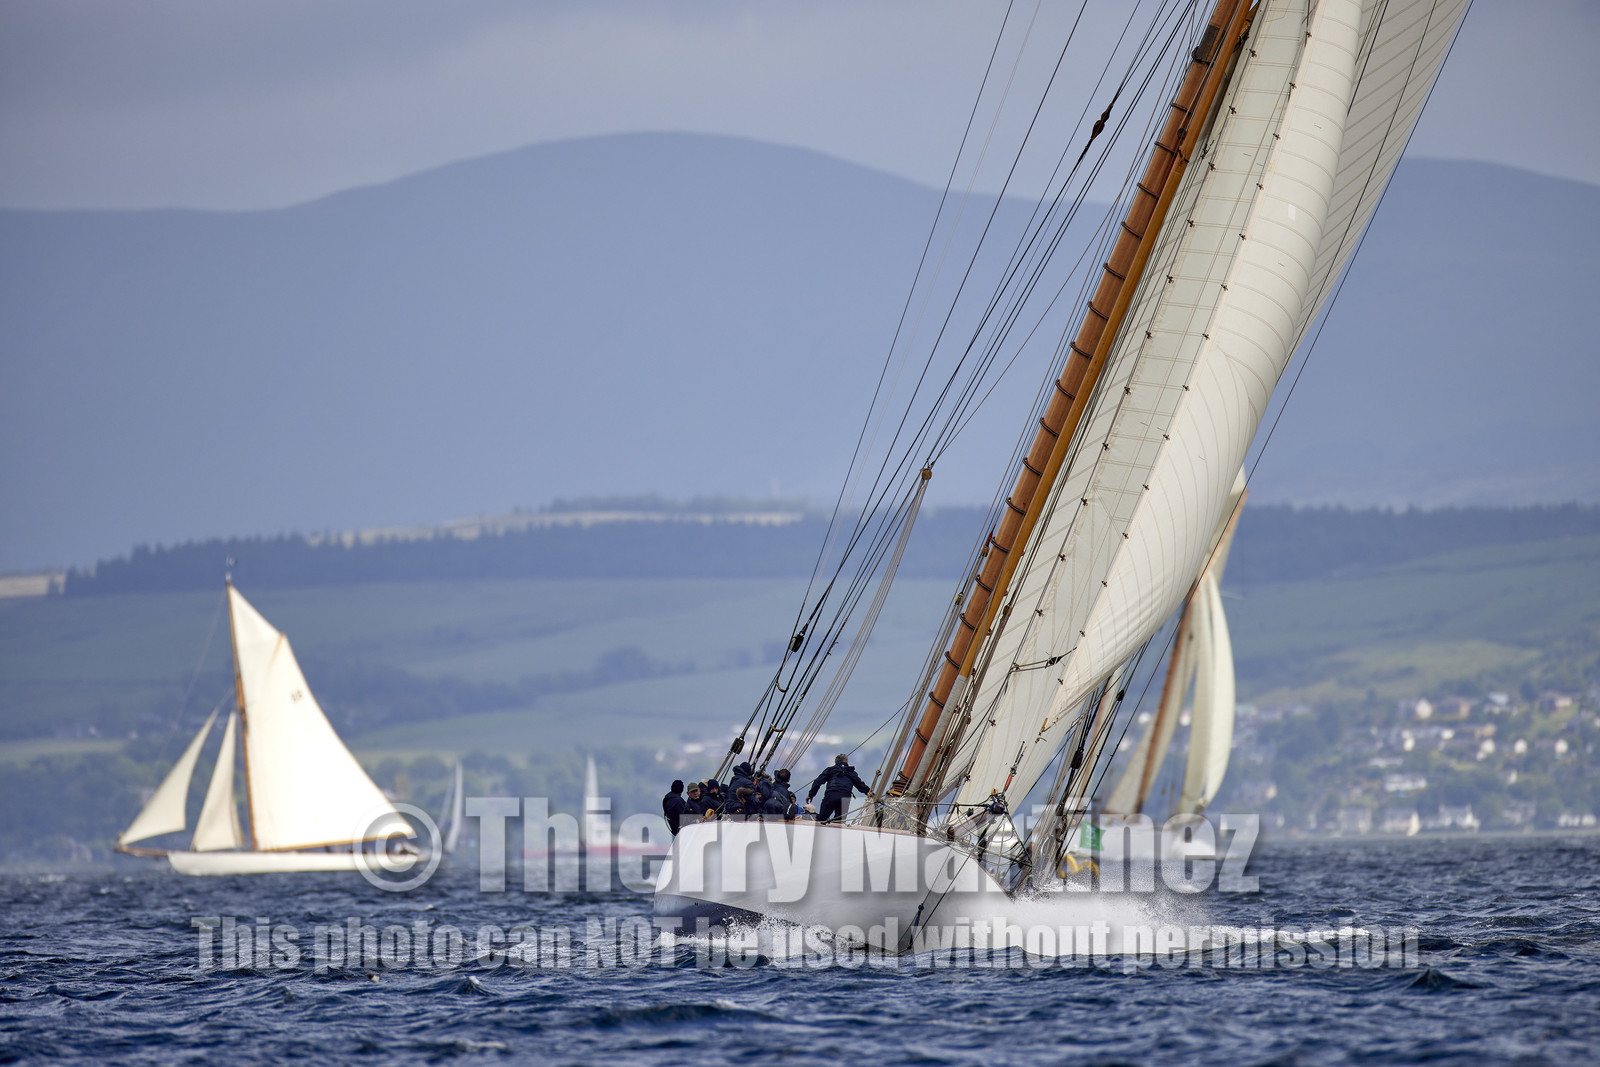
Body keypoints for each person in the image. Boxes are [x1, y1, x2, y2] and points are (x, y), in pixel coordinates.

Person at [807, 754, 870, 824]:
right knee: (839, 822)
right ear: (847, 762)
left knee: (821, 819)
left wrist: (811, 795)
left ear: (836, 762)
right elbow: (861, 785)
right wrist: (870, 793)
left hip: (831, 795)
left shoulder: (830, 770)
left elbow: (818, 782)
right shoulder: (851, 772)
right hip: (845, 797)